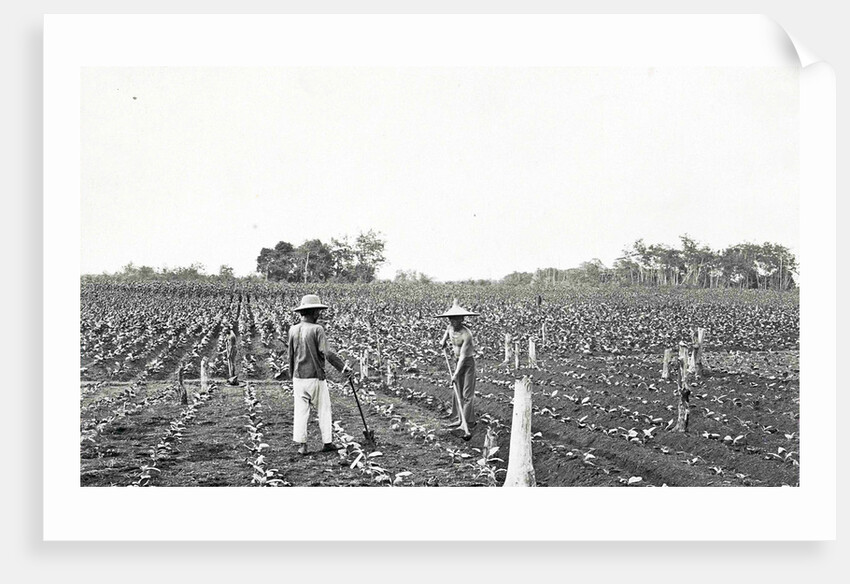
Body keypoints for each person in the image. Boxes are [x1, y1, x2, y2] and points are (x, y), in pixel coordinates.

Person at [288, 294, 351, 455]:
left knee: (301, 411)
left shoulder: (293, 329)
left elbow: (290, 355)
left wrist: (292, 375)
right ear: (313, 311)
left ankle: (302, 445)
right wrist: (343, 368)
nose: (319, 314)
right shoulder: (317, 329)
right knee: (324, 409)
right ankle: (327, 442)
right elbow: (327, 352)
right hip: (315, 377)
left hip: (298, 377)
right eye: (318, 311)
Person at [436, 299, 479, 432]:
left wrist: (455, 374)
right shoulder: (450, 327)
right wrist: (443, 341)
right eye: (450, 319)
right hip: (456, 361)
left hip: (467, 364)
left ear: (461, 319)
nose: (452, 322)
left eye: (455, 319)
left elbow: (463, 357)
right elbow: (446, 333)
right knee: (458, 391)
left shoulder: (467, 334)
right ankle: (460, 419)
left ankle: (465, 424)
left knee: (467, 393)